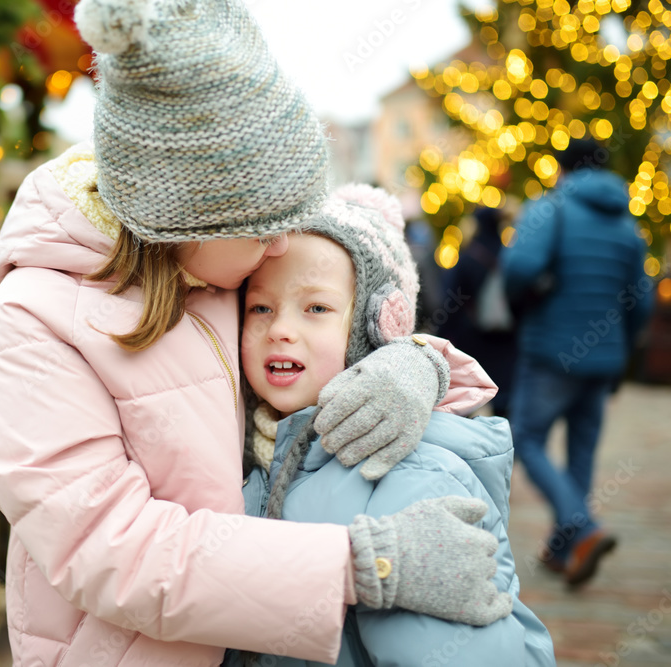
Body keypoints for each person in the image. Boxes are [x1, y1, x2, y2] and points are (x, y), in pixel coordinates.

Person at [0, 1, 511, 664]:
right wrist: (359, 565)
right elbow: (114, 551)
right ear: (184, 220)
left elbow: (338, 309)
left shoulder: (220, 268)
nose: (281, 244)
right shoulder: (33, 330)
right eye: (262, 228)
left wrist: (411, 361)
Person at [229, 184, 554, 666]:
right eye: (261, 308)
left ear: (375, 325)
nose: (280, 329)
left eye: (316, 308)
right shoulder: (245, 449)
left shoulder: (407, 474)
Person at [501, 137, 655, 586]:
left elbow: (519, 268)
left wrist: (521, 307)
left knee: (526, 439)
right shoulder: (627, 224)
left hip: (552, 349)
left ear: (563, 169)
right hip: (605, 358)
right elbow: (642, 301)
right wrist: (623, 349)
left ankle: (582, 529)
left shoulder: (552, 208)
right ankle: (564, 549)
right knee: (581, 452)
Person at [437, 206, 519, 417]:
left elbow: (450, 304)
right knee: (503, 405)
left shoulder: (469, 257)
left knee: (467, 403)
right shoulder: (509, 257)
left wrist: (441, 337)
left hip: (472, 341)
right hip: (506, 340)